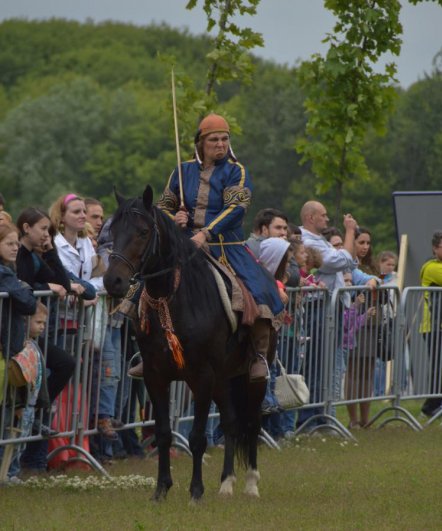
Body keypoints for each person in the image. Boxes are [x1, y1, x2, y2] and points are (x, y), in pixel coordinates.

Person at [157, 113, 285, 381]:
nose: (220, 144)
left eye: (225, 139)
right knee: (146, 286)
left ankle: (259, 354)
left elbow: (236, 209)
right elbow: (162, 208)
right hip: (185, 247)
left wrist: (206, 232)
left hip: (227, 248)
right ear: (201, 143)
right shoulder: (182, 171)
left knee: (259, 288)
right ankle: (148, 354)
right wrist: (175, 218)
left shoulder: (236, 171)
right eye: (214, 139)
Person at [0, 222, 37, 482]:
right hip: (5, 350)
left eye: (16, 243)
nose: (15, 248)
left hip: (8, 348)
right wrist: (23, 288)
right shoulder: (4, 274)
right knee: (5, 412)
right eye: (9, 244)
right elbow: (28, 303)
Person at [420, 231, 442, 417]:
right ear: (435, 248)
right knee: (437, 367)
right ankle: (431, 406)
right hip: (433, 326)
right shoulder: (432, 267)